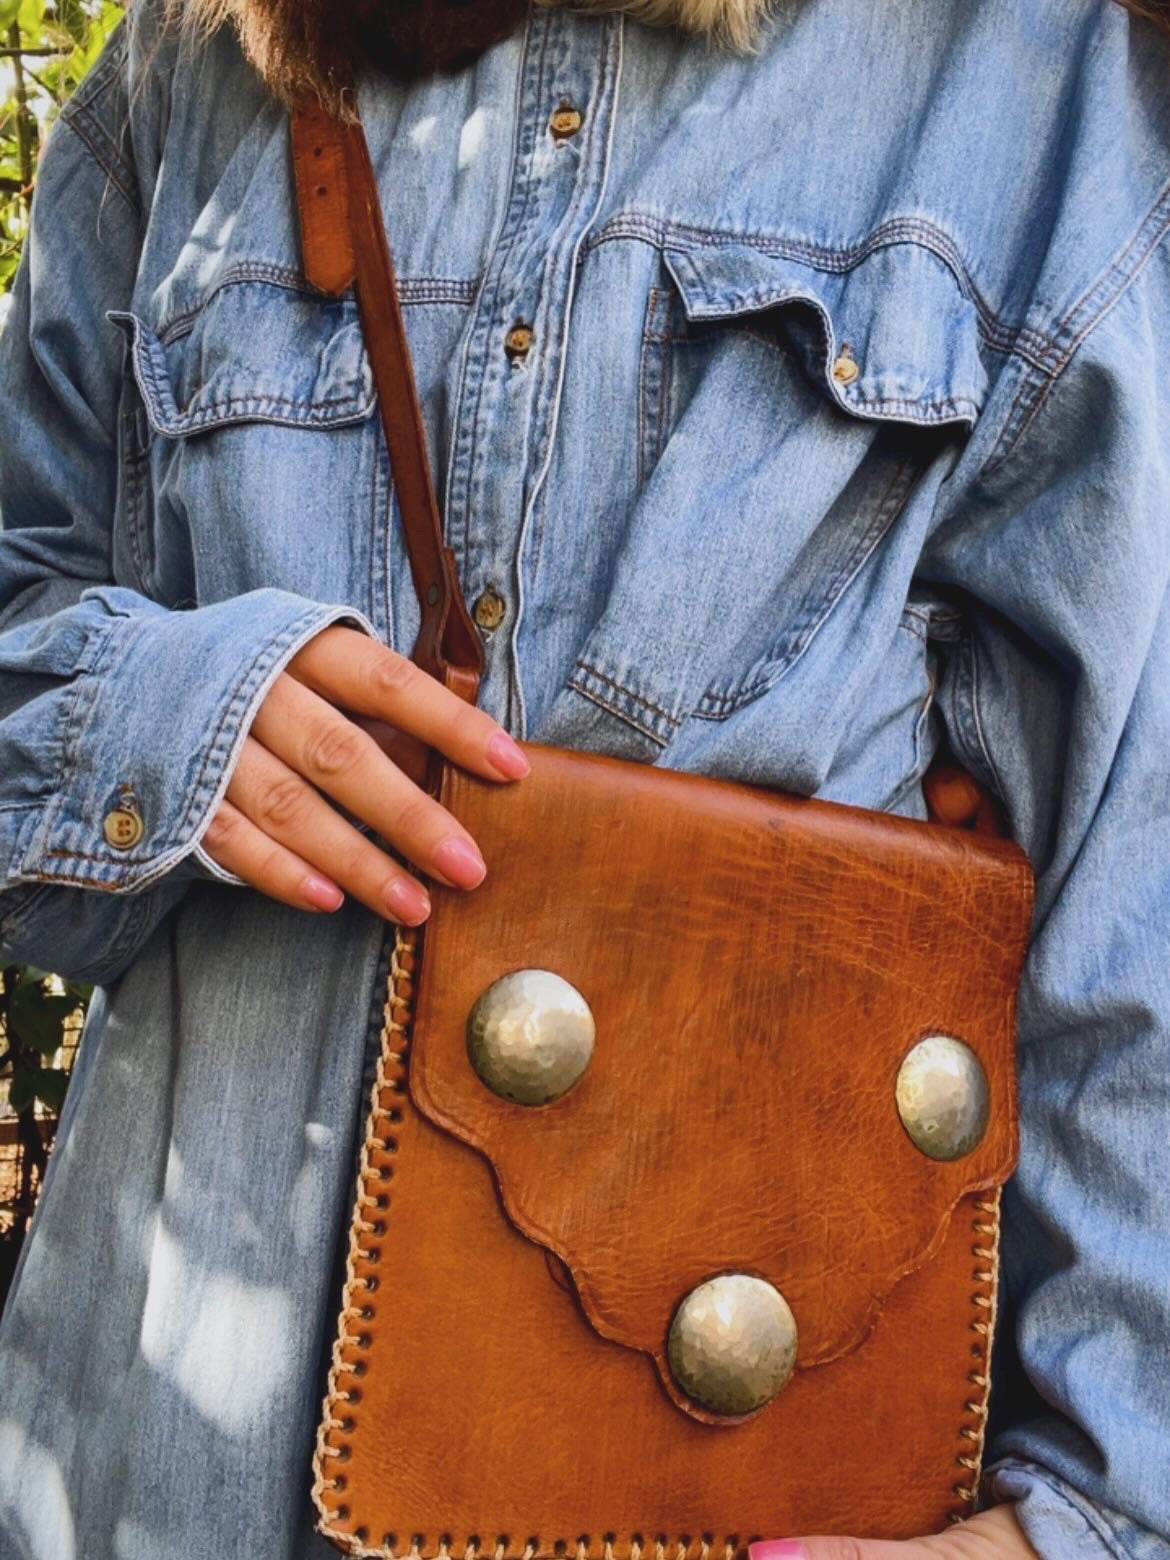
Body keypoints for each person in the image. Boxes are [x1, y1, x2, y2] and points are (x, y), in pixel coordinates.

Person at [1, 0, 1168, 1555]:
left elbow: (1138, 869)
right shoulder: (186, 64)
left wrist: (1091, 1517)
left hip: (713, 1470)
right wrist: (160, 717)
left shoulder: (1033, 66)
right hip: (146, 1461)